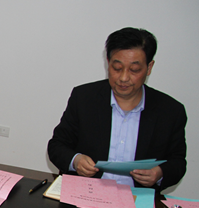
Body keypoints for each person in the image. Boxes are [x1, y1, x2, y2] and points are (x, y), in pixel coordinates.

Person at [47, 27, 187, 191]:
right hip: (87, 193)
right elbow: (57, 145)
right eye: (117, 68)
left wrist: (159, 173)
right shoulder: (84, 98)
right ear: (108, 62)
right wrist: (76, 160)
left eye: (134, 70)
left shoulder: (170, 111)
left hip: (137, 198)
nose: (124, 78)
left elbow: (177, 162)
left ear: (149, 67)